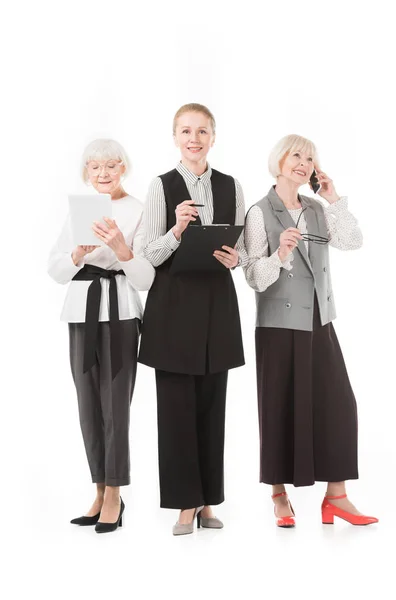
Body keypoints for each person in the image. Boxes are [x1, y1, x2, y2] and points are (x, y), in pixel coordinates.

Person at [244, 134, 378, 527]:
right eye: (296, 155)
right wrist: (280, 254)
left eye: (310, 158)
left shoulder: (318, 208)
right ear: (280, 160)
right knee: (279, 405)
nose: (303, 163)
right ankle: (279, 494)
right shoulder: (258, 211)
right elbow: (253, 276)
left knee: (339, 403)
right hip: (278, 323)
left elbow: (353, 241)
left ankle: (336, 497)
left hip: (320, 319)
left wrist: (334, 197)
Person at [139, 103, 247, 535]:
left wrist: (235, 258)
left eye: (202, 131)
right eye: (186, 131)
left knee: (212, 406)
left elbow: (240, 246)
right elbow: (148, 253)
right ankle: (184, 504)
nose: (194, 138)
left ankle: (207, 503)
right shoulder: (159, 185)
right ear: (175, 136)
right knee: (176, 408)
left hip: (217, 304)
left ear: (213, 136)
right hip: (173, 306)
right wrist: (177, 230)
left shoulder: (231, 184)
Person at [48, 139, 155, 533]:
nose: (104, 174)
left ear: (123, 168)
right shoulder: (80, 211)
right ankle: (98, 488)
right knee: (88, 406)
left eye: (111, 166)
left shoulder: (138, 210)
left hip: (121, 313)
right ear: (86, 173)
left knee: (116, 408)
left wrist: (122, 250)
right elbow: (56, 270)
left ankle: (115, 492)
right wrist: (77, 254)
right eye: (95, 168)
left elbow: (146, 279)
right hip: (81, 313)